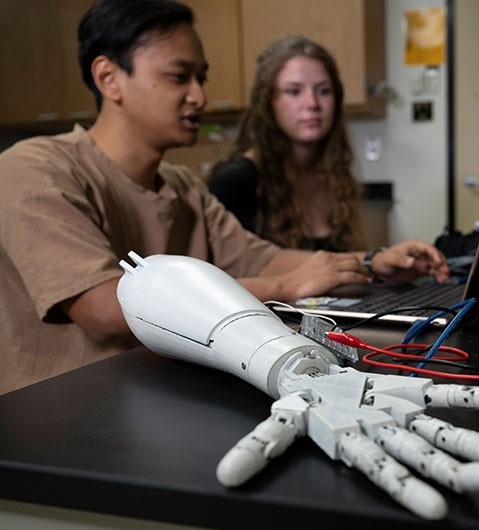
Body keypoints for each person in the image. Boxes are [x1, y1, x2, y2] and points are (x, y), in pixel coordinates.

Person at [0, 0, 448, 396]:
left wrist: (371, 262)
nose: (200, 96)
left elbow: (263, 259)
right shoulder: (33, 169)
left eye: (201, 78)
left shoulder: (182, 186)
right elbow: (107, 309)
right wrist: (287, 288)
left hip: (165, 394)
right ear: (109, 78)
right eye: (179, 77)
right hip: (69, 417)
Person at [207, 35, 364, 252]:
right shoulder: (237, 179)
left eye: (323, 91)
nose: (312, 103)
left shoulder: (335, 175)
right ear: (267, 102)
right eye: (294, 91)